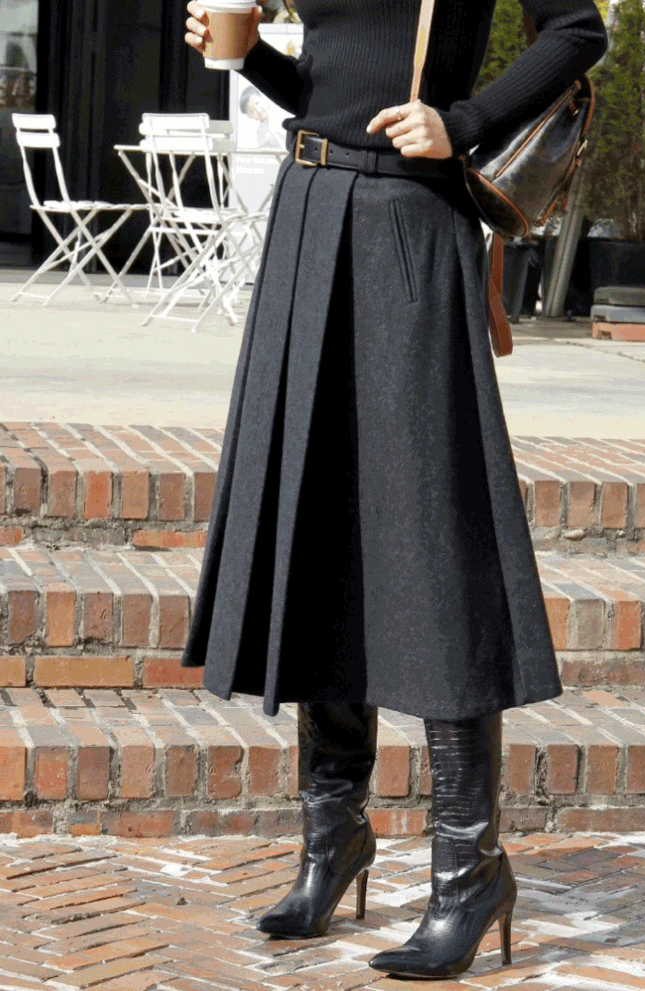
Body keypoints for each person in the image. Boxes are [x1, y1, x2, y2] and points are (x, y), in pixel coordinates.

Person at [182, 0, 608, 979]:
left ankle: (467, 871)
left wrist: (463, 123)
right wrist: (254, 58)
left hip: (407, 226)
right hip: (308, 220)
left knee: (432, 546)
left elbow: (577, 29)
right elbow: (336, 88)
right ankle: (333, 839)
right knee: (318, 529)